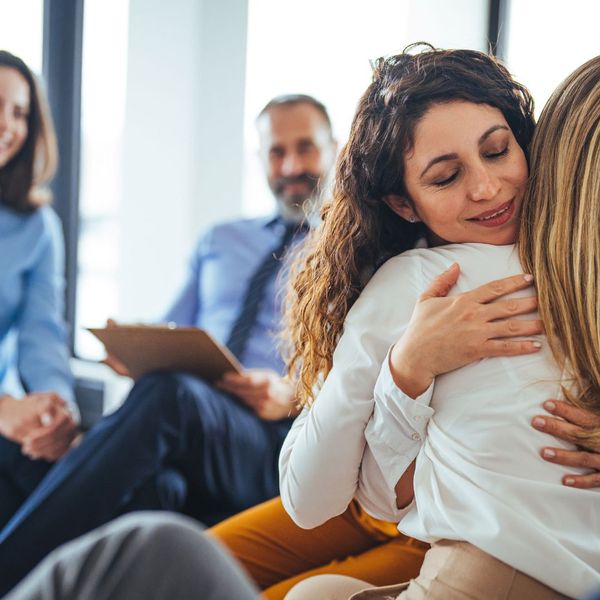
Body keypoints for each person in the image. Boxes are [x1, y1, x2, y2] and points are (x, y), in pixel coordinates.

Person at [280, 48, 600, 598]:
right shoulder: (578, 268)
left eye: (499, 151)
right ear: (403, 204)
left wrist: (404, 369)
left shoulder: (418, 283)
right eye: (447, 176)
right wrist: (410, 367)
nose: (486, 188)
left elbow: (316, 499)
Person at [0, 93, 338, 594]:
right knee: (159, 489)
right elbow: (174, 330)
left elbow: (364, 373)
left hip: (276, 438)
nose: (290, 165)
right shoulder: (220, 240)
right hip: (195, 420)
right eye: (276, 152)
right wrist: (134, 347)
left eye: (305, 148)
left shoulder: (351, 248)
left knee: (169, 396)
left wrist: (293, 393)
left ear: (334, 148)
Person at [0, 50, 77, 530]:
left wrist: (56, 410)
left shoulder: (36, 227)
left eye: (20, 112)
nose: (8, 126)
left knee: (51, 464)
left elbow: (42, 335)